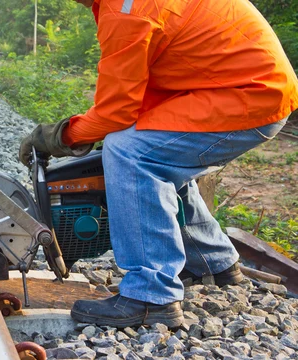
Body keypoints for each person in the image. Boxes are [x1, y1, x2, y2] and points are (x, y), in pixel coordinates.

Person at [19, 0, 298, 328]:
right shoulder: (125, 6)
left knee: (130, 152)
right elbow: (135, 95)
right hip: (248, 86)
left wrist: (59, 136)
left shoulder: (125, 12)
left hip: (248, 95)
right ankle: (213, 263)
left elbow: (115, 112)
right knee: (160, 152)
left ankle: (151, 296)